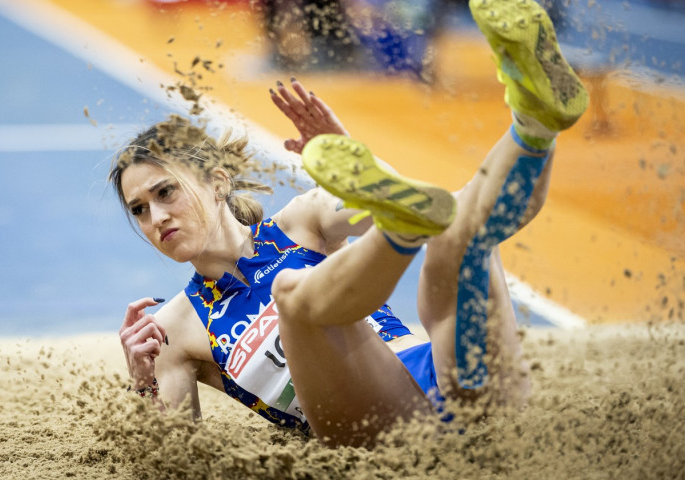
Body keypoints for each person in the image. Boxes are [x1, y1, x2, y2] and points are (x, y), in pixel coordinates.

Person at [112, 0, 589, 448]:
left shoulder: (305, 218)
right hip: (388, 431)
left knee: (456, 230)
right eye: (138, 209)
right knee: (293, 294)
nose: (156, 217)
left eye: (165, 192)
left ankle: (534, 122)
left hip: (464, 384)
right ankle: (412, 213)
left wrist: (361, 169)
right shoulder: (171, 328)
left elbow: (435, 208)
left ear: (218, 183)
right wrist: (144, 379)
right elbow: (176, 459)